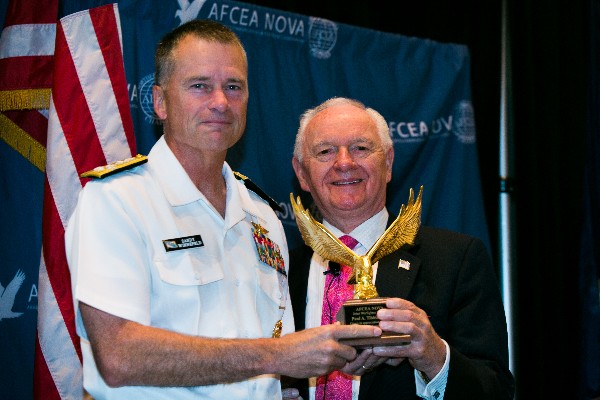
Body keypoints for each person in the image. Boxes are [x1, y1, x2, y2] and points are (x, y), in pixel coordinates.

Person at [65, 21, 382, 400]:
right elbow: (117, 356)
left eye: (234, 87)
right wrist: (277, 355)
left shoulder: (262, 216)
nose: (220, 102)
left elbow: (270, 367)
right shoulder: (118, 201)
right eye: (200, 86)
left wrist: (327, 358)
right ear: (160, 101)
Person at [287, 97, 515, 400]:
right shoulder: (280, 270)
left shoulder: (456, 259)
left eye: (361, 148)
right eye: (325, 151)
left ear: (389, 163)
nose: (344, 163)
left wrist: (433, 355)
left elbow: (495, 391)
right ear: (302, 173)